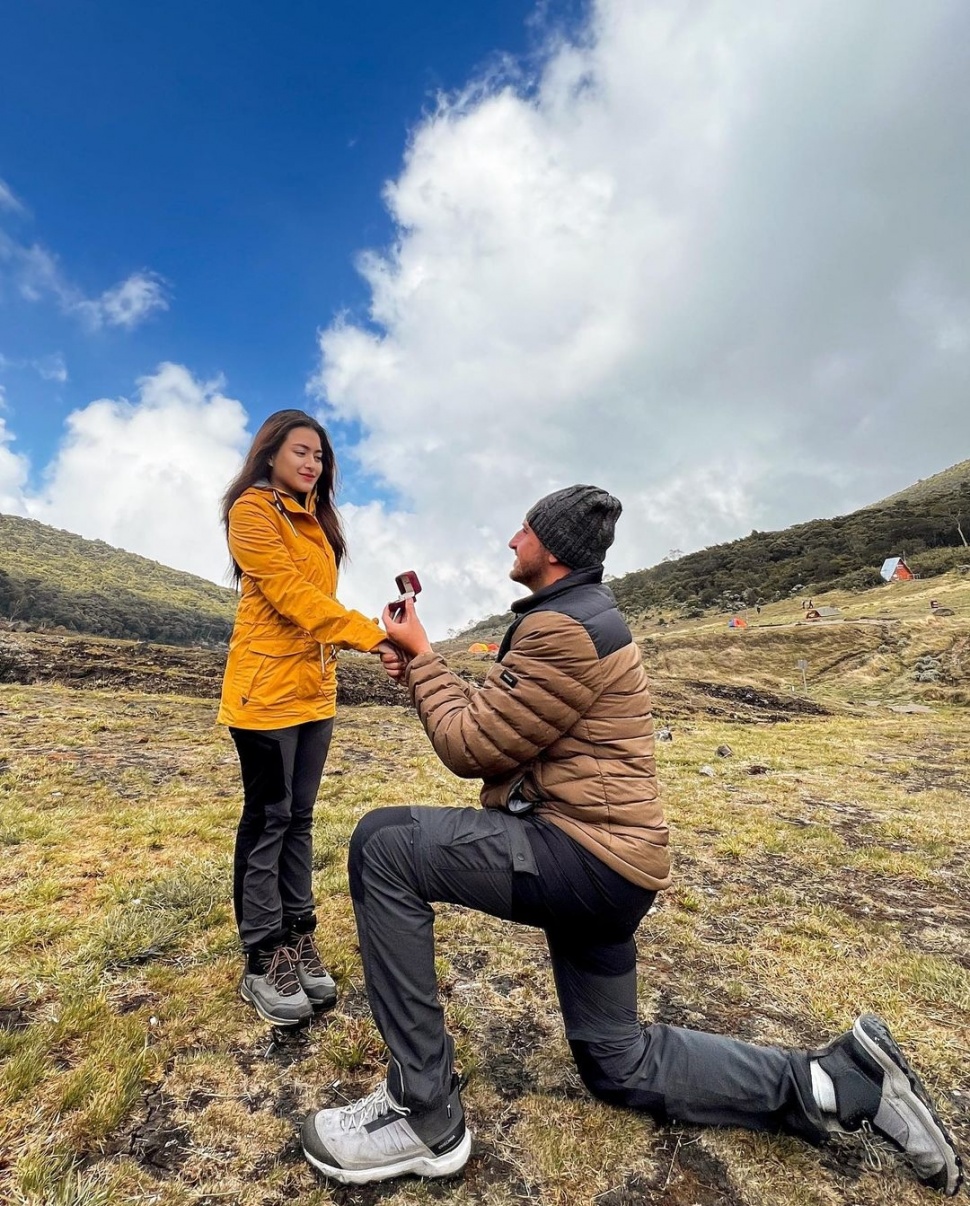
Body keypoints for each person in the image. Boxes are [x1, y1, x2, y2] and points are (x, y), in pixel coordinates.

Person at [300, 485, 963, 1195]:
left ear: (550, 549)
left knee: (382, 844)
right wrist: (424, 667)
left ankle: (420, 1110)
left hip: (581, 860)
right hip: (612, 867)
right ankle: (837, 1083)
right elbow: (502, 722)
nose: (509, 540)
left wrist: (424, 659)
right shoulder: (577, 617)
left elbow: (470, 747)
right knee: (617, 1065)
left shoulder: (563, 630)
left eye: (523, 530)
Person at [218, 409, 393, 1028]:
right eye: (300, 451)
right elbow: (292, 597)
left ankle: (297, 932)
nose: (312, 462)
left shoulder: (316, 518)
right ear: (270, 454)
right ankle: (262, 954)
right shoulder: (252, 511)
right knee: (267, 819)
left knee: (299, 816)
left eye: (319, 455)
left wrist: (366, 637)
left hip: (314, 692)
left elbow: (320, 603)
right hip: (264, 695)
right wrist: (372, 637)